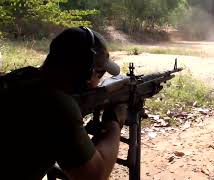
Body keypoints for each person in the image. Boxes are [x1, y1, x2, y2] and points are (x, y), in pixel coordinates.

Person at [0, 26, 126, 180]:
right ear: (86, 72)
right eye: (100, 73)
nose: (99, 81)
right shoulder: (57, 105)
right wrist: (114, 122)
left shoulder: (20, 77)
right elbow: (94, 176)